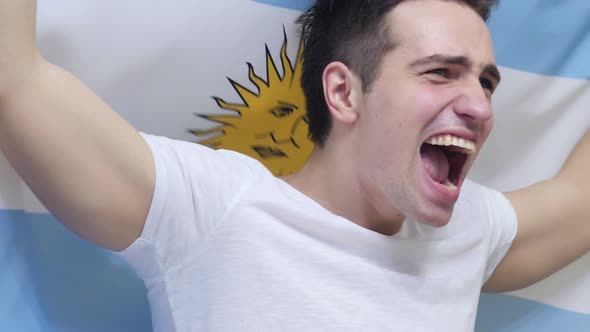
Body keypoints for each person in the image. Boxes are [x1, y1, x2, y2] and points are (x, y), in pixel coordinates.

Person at [0, 0, 588, 331]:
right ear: (345, 93)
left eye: (486, 81)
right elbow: (13, 81)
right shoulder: (216, 209)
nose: (481, 106)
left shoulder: (468, 234)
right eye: (440, 72)